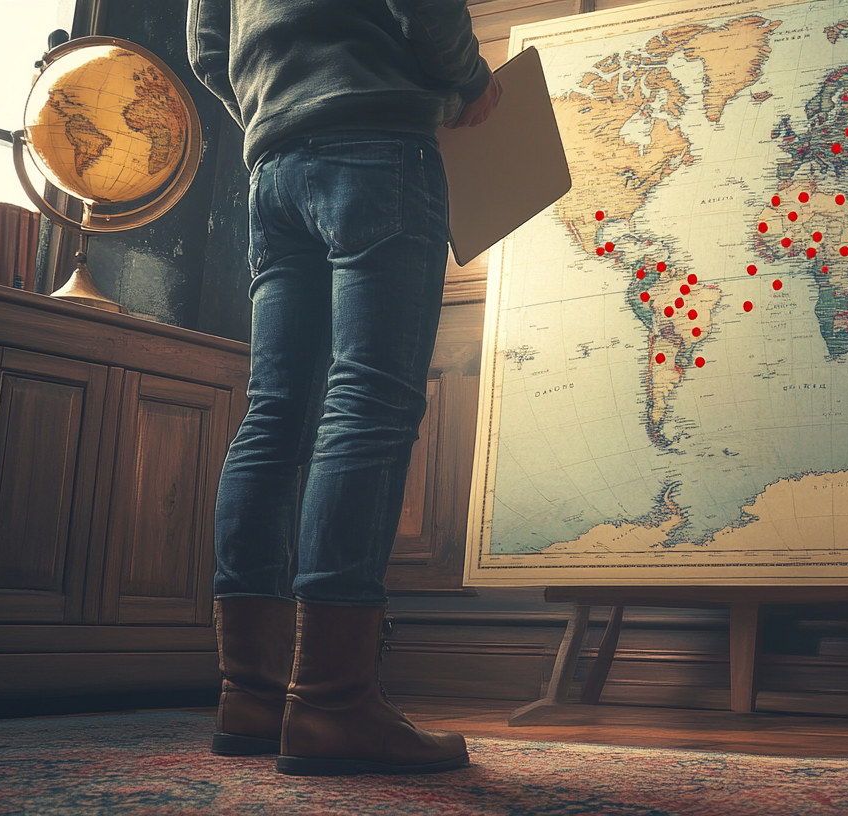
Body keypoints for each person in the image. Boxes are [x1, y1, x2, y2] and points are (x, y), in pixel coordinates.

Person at [187, 0, 501, 776]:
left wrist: (276, 112)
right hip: (377, 146)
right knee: (369, 401)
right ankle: (331, 702)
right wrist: (468, 81)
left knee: (275, 414)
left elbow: (204, 47)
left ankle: (251, 694)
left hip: (273, 167)